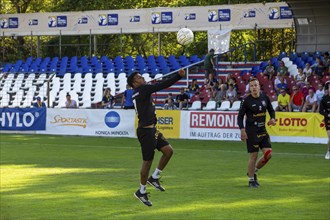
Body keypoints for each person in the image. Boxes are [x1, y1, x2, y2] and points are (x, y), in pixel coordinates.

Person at [127, 69, 185, 206]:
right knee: (147, 162)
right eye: (139, 77)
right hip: (146, 132)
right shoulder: (142, 90)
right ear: (134, 83)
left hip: (152, 130)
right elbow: (162, 86)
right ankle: (141, 191)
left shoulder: (139, 92)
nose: (142, 78)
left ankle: (154, 177)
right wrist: (178, 76)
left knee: (168, 151)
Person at [238, 78, 276, 188]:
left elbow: (271, 110)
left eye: (256, 85)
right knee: (253, 156)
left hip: (262, 131)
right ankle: (251, 180)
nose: (254, 87)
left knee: (269, 154)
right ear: (250, 88)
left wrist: (273, 118)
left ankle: (254, 170)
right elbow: (240, 117)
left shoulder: (265, 98)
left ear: (259, 86)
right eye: (252, 86)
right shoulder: (246, 101)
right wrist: (242, 130)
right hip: (251, 132)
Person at [319, 82, 330, 159]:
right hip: (328, 120)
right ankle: (328, 151)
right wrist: (327, 115)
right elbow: (320, 110)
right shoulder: (324, 99)